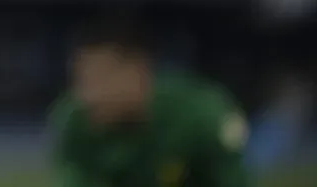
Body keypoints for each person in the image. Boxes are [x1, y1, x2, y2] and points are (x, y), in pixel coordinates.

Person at [49, 18, 252, 187]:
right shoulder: (75, 120)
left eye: (100, 81)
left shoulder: (202, 116)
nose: (87, 96)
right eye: (81, 82)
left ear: (138, 74)